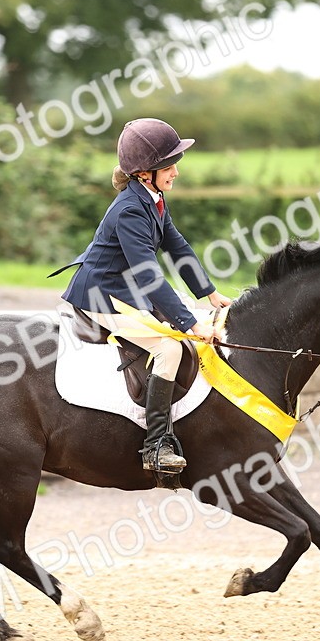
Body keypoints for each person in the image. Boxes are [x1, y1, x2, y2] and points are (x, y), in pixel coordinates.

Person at [60, 118, 231, 472]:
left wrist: (209, 293)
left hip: (127, 290)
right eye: (169, 167)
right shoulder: (130, 210)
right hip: (101, 295)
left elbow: (178, 247)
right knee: (169, 347)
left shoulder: (153, 198)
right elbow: (149, 276)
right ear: (144, 173)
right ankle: (155, 446)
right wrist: (190, 324)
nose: (175, 173)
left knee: (183, 329)